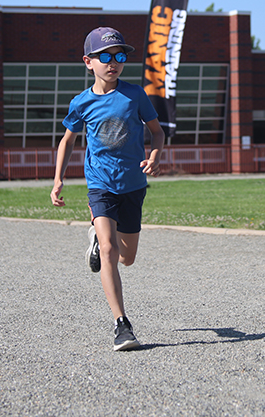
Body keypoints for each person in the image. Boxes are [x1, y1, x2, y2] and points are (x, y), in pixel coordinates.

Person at [51, 26, 165, 351]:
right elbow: (68, 141)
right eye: (105, 57)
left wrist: (155, 155)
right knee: (111, 253)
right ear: (89, 61)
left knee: (127, 257)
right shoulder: (81, 103)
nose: (113, 63)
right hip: (100, 185)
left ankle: (98, 242)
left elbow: (157, 132)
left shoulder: (135, 95)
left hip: (133, 185)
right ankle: (121, 325)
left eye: (119, 56)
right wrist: (58, 179)